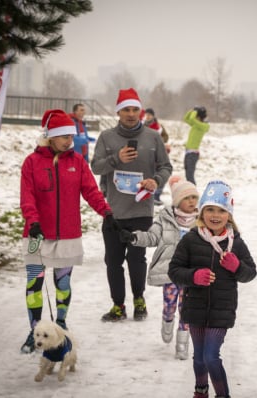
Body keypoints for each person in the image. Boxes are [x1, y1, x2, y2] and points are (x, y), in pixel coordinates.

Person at [20, 109, 116, 354]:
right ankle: (34, 331)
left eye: (70, 136)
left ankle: (60, 325)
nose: (68, 141)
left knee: (63, 282)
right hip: (37, 234)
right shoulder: (32, 162)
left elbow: (91, 191)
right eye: (63, 135)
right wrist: (32, 221)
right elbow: (27, 196)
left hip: (68, 235)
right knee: (34, 284)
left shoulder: (77, 162)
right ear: (50, 136)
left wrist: (106, 212)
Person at [168, 180, 257, 398]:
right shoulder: (190, 240)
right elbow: (174, 270)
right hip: (195, 308)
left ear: (229, 215)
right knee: (199, 357)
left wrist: (237, 266)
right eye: (210, 209)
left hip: (221, 310)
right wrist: (194, 276)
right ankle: (201, 391)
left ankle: (222, 395)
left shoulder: (235, 243)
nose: (215, 215)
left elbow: (250, 273)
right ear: (202, 212)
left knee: (210, 356)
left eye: (221, 210)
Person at [91, 88, 173, 322]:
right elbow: (95, 167)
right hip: (114, 211)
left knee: (137, 259)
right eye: (126, 109)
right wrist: (116, 159)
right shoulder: (107, 137)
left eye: (135, 109)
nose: (130, 113)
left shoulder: (152, 137)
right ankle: (118, 305)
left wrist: (155, 181)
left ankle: (139, 300)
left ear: (141, 111)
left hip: (141, 209)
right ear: (118, 112)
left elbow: (166, 167)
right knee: (113, 261)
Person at [119, 176, 199, 359]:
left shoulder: (202, 220)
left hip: (191, 274)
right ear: (178, 200)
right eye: (187, 198)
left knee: (186, 310)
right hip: (169, 272)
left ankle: (182, 345)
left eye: (194, 197)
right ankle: (167, 320)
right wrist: (134, 237)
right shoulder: (165, 218)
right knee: (170, 306)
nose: (192, 201)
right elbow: (152, 237)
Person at [143, 107, 171, 205]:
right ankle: (146, 195)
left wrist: (159, 143)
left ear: (153, 116)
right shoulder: (141, 125)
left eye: (149, 115)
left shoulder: (159, 127)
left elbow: (166, 137)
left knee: (159, 175)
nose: (147, 116)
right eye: (146, 114)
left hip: (157, 154)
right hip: (145, 154)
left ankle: (156, 196)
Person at [183, 106, 209, 185]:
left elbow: (191, 119)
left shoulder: (203, 126)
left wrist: (195, 111)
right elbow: (186, 119)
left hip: (193, 154)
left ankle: (193, 192)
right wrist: (192, 110)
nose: (195, 118)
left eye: (196, 116)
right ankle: (191, 192)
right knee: (187, 174)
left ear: (199, 117)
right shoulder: (196, 125)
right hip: (188, 152)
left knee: (190, 175)